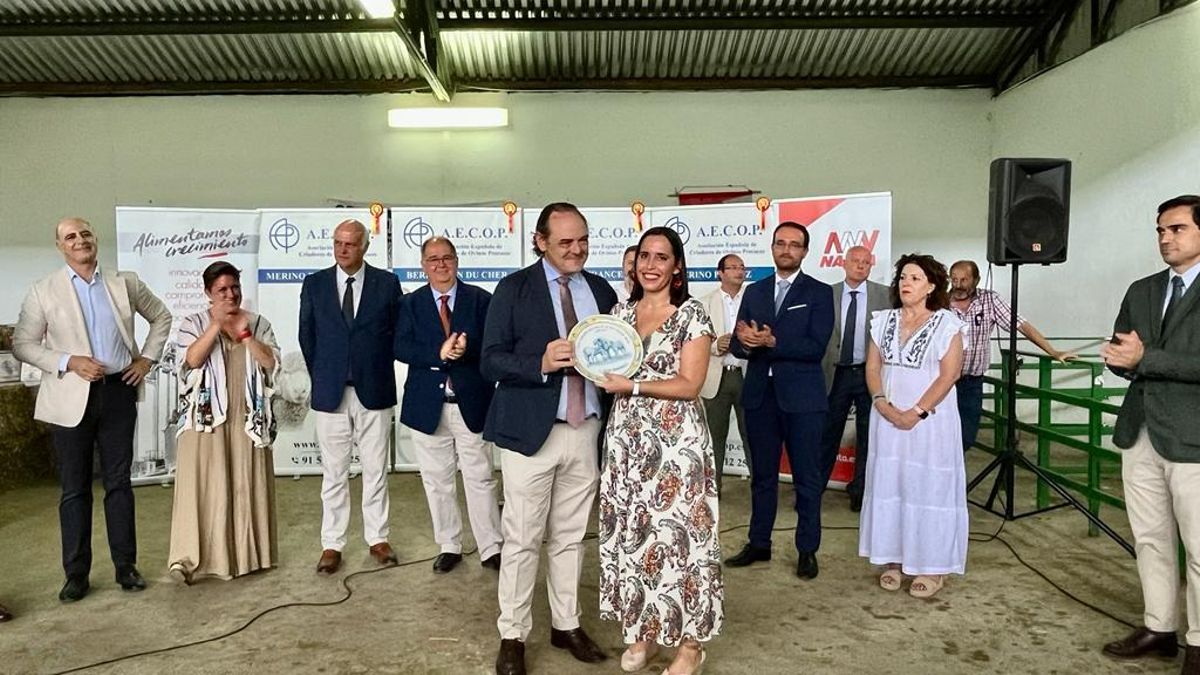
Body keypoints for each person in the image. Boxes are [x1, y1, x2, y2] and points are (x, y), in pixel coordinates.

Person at [482, 202, 618, 675]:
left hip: (586, 430)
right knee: (521, 538)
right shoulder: (513, 289)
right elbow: (490, 360)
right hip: (528, 434)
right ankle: (513, 634)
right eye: (564, 242)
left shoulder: (600, 289)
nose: (576, 249)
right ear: (540, 241)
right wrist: (538, 363)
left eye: (582, 240)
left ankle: (566, 624)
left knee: (571, 536)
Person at [12, 217, 171, 603]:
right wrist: (68, 361)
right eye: (71, 236)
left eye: (85, 234)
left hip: (118, 391)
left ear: (94, 239)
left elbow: (162, 317)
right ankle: (76, 574)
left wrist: (146, 360)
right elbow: (23, 344)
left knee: (119, 483)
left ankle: (125, 567)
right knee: (75, 489)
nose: (80, 240)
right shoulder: (42, 291)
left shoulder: (125, 282)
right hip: (69, 397)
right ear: (60, 246)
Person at [597, 226, 722, 675]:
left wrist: (630, 385)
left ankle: (691, 645)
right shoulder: (617, 313)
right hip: (628, 440)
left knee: (684, 541)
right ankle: (646, 632)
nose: (650, 265)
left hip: (676, 446)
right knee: (637, 535)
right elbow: (599, 363)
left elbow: (690, 385)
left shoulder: (692, 315)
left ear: (677, 267)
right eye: (644, 256)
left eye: (661, 257)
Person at [1100, 195, 1200, 672]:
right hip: (1139, 431)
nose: (1165, 238)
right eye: (1160, 230)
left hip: (1192, 437)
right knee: (1151, 538)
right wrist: (1121, 361)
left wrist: (1146, 361)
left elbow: (1150, 358)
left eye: (1176, 229)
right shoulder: (1142, 289)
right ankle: (1159, 627)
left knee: (1199, 548)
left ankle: (1198, 643)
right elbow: (1125, 349)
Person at [724, 221, 834, 580]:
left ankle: (807, 549)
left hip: (802, 399)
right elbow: (741, 341)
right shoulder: (754, 292)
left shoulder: (818, 292)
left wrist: (772, 343)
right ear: (772, 248)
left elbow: (816, 347)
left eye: (794, 244)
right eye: (780, 243)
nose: (786, 249)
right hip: (760, 396)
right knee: (763, 477)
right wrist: (744, 341)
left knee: (807, 478)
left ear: (804, 251)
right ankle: (759, 543)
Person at [859, 254, 967, 599]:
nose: (906, 283)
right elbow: (873, 367)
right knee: (892, 485)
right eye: (904, 276)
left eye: (916, 278)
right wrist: (882, 403)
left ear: (932, 286)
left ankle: (932, 567)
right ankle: (893, 560)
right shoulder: (883, 321)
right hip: (887, 416)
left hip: (930, 422)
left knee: (929, 488)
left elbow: (950, 374)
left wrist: (916, 412)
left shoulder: (947, 324)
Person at [299, 219, 403, 575]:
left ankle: (377, 537)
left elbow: (395, 334)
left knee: (375, 469)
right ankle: (332, 543)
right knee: (334, 473)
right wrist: (325, 375)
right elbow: (307, 338)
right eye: (338, 243)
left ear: (364, 246)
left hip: (373, 389)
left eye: (350, 244)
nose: (342, 249)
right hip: (331, 392)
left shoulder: (387, 284)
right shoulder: (314, 285)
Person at [395, 237, 503, 575]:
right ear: (423, 265)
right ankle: (449, 545)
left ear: (457, 261)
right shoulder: (409, 304)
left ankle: (491, 546)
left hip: (472, 402)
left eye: (446, 258)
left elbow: (493, 346)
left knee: (480, 477)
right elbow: (400, 347)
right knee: (437, 480)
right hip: (428, 406)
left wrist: (465, 351)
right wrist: (438, 355)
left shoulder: (481, 300)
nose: (440, 265)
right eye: (433, 259)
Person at [168, 261, 280, 584]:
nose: (230, 294)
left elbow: (271, 362)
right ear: (208, 294)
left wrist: (245, 336)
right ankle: (188, 560)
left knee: (244, 486)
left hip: (247, 418)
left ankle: (245, 557)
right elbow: (190, 361)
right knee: (203, 489)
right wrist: (216, 326)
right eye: (222, 290)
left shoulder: (258, 324)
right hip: (206, 421)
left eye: (234, 288)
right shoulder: (193, 323)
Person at [949, 259, 1076, 450]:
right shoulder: (939, 303)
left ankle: (956, 477)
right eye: (954, 280)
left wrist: (1053, 351)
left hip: (971, 383)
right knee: (941, 437)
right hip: (942, 381)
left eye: (964, 280)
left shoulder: (989, 300)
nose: (958, 285)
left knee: (966, 437)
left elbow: (1020, 324)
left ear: (976, 280)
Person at [819, 245, 890, 512]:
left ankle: (860, 491)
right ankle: (816, 488)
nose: (860, 266)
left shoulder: (885, 296)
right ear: (844, 263)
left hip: (870, 373)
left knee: (868, 435)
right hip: (834, 372)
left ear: (870, 266)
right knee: (827, 433)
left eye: (865, 262)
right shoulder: (828, 294)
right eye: (855, 261)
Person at [700, 253, 751, 493]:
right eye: (732, 267)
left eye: (742, 267)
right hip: (716, 377)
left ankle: (759, 487)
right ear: (720, 273)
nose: (739, 271)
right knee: (714, 437)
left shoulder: (755, 298)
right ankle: (712, 488)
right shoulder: (704, 303)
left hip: (747, 374)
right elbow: (694, 341)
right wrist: (713, 345)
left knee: (752, 435)